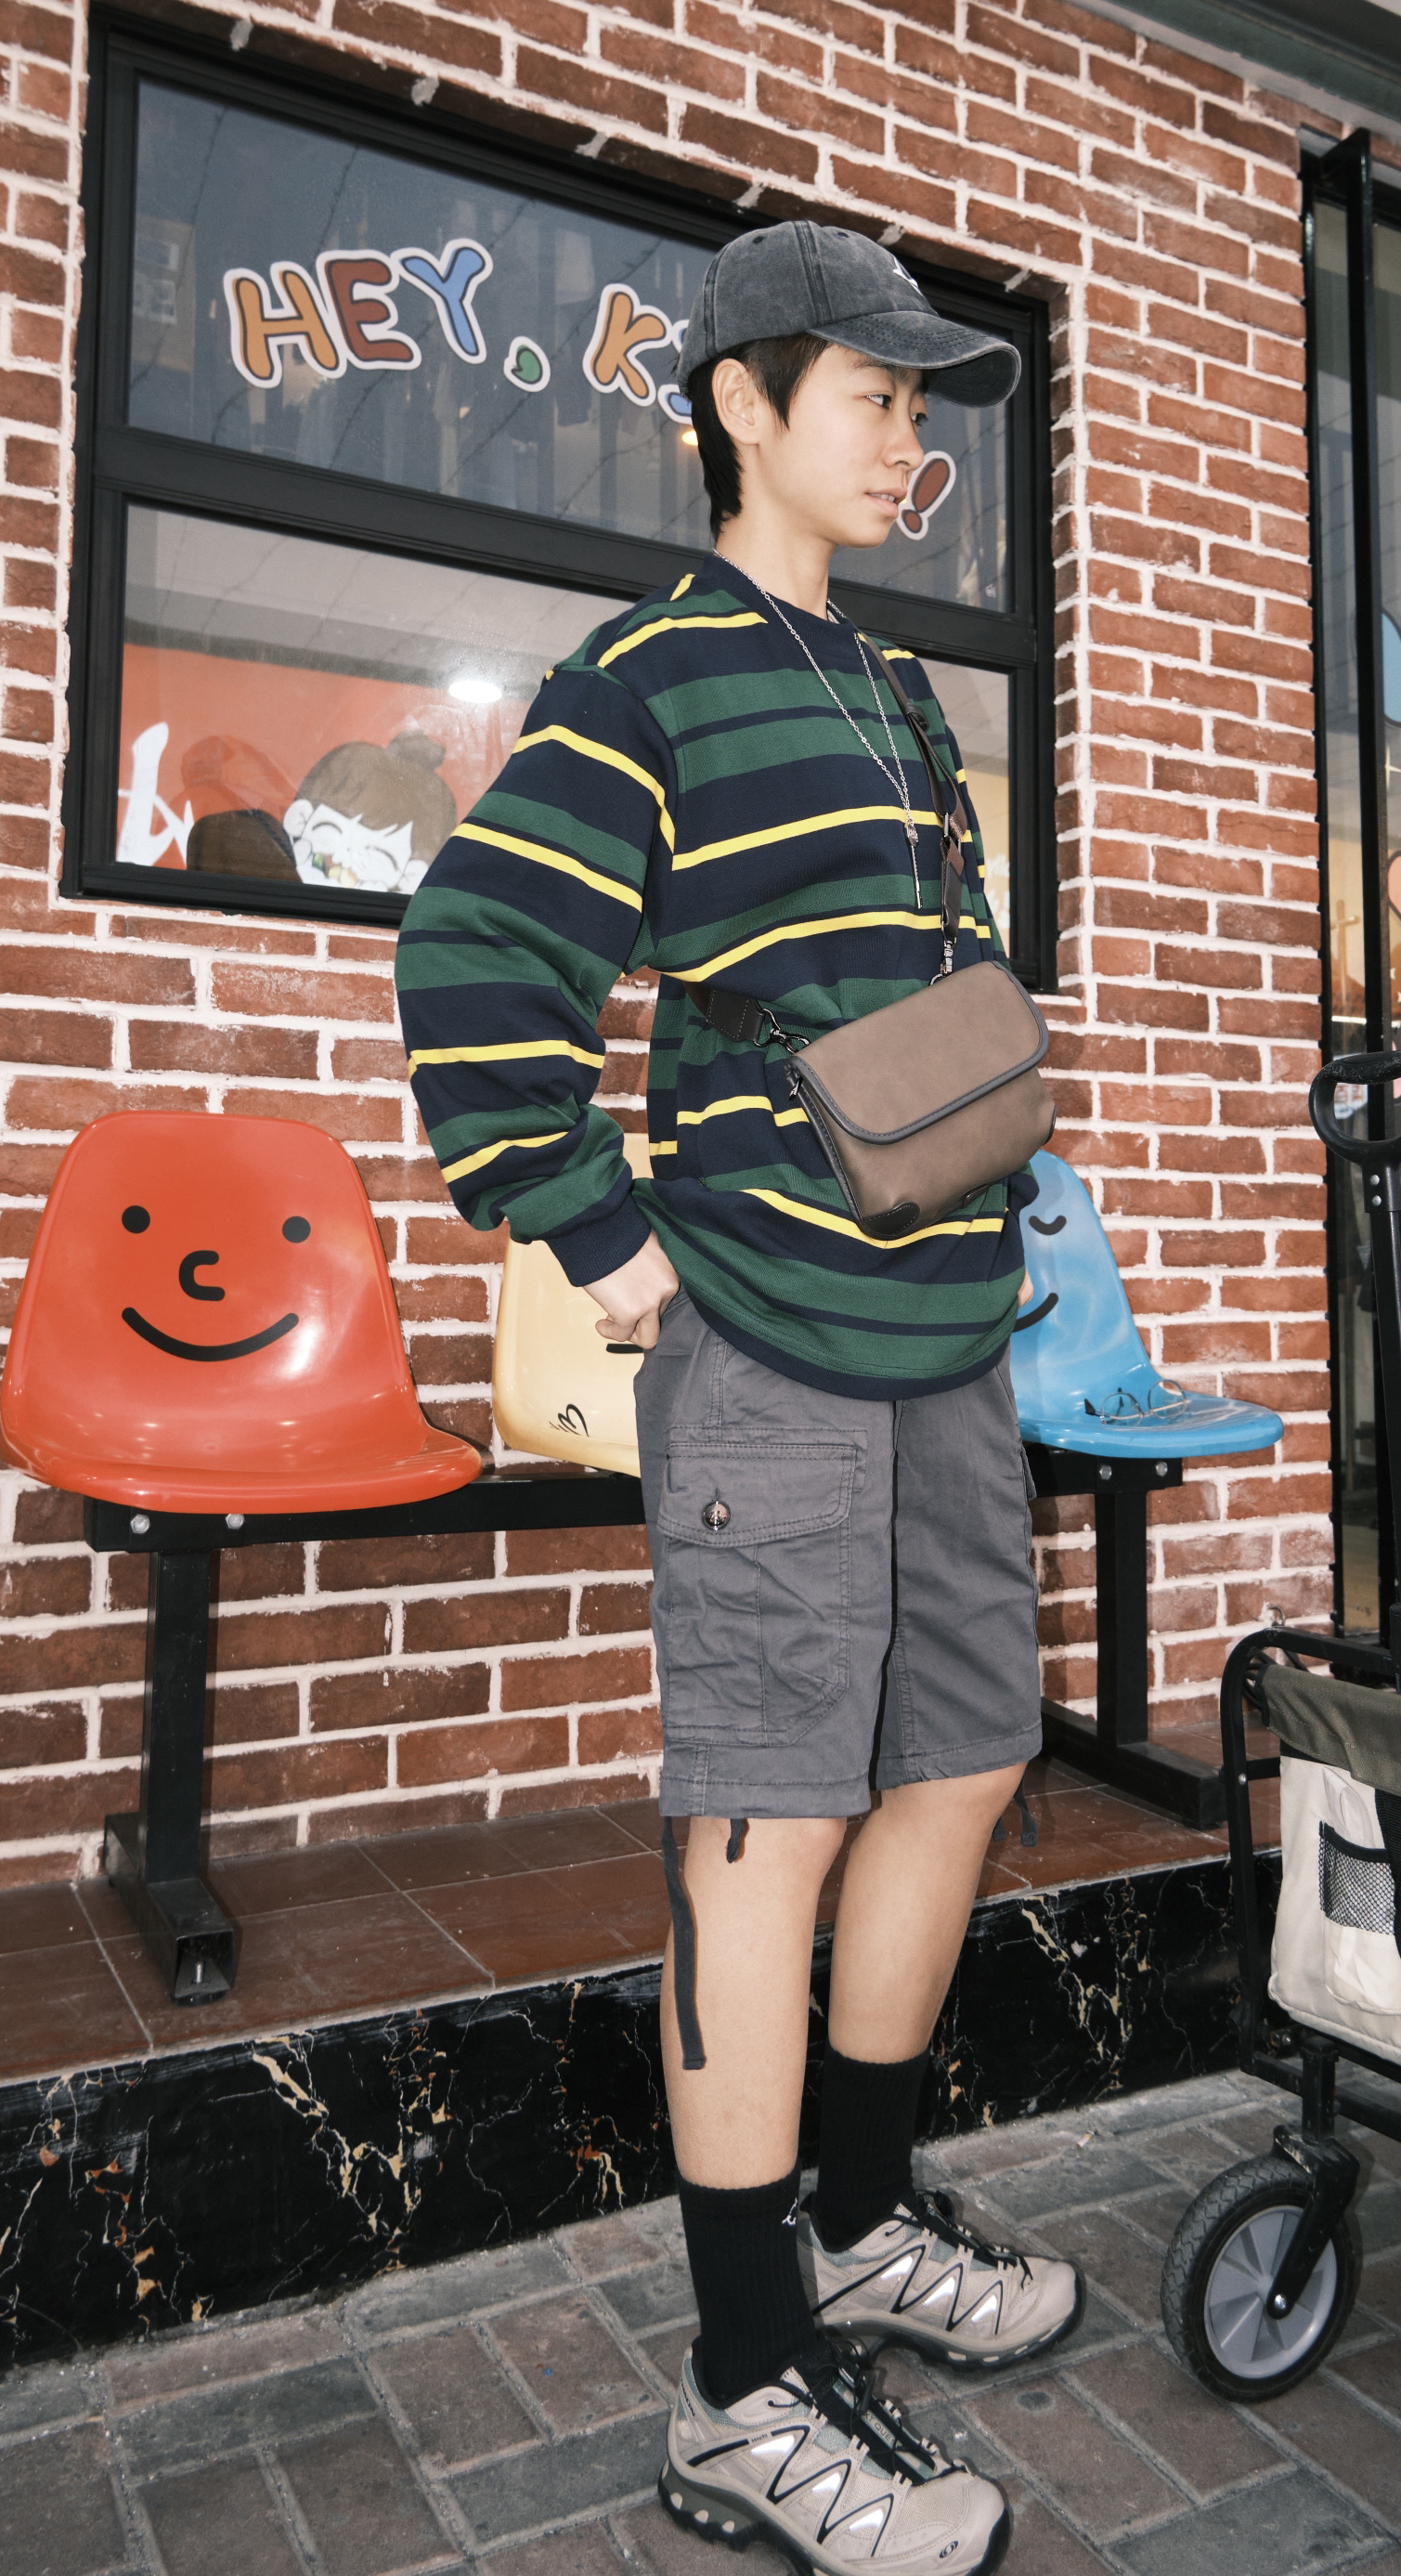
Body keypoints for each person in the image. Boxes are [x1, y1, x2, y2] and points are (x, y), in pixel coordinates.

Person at [396, 220, 1079, 2576]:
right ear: (741, 408)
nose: (911, 442)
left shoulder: (892, 692)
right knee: (763, 1824)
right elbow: (476, 957)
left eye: (920, 405)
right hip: (769, 1339)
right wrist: (607, 1240)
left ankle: (858, 2226)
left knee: (960, 1758)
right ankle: (741, 2378)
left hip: (950, 1333)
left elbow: (925, 989)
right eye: (872, 399)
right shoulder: (646, 678)